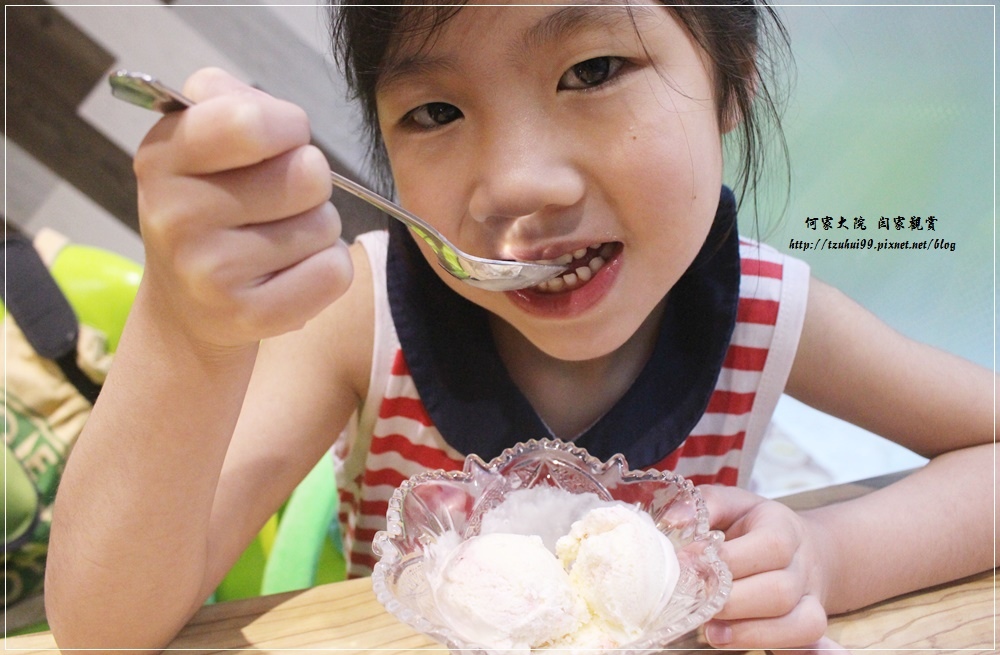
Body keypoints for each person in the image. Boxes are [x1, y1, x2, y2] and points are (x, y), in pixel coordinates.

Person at [46, 1, 995, 652]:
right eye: (436, 110)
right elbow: (102, 628)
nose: (516, 182)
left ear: (730, 85)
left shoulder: (766, 309)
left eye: (593, 68)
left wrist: (830, 554)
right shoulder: (358, 311)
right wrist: (186, 328)